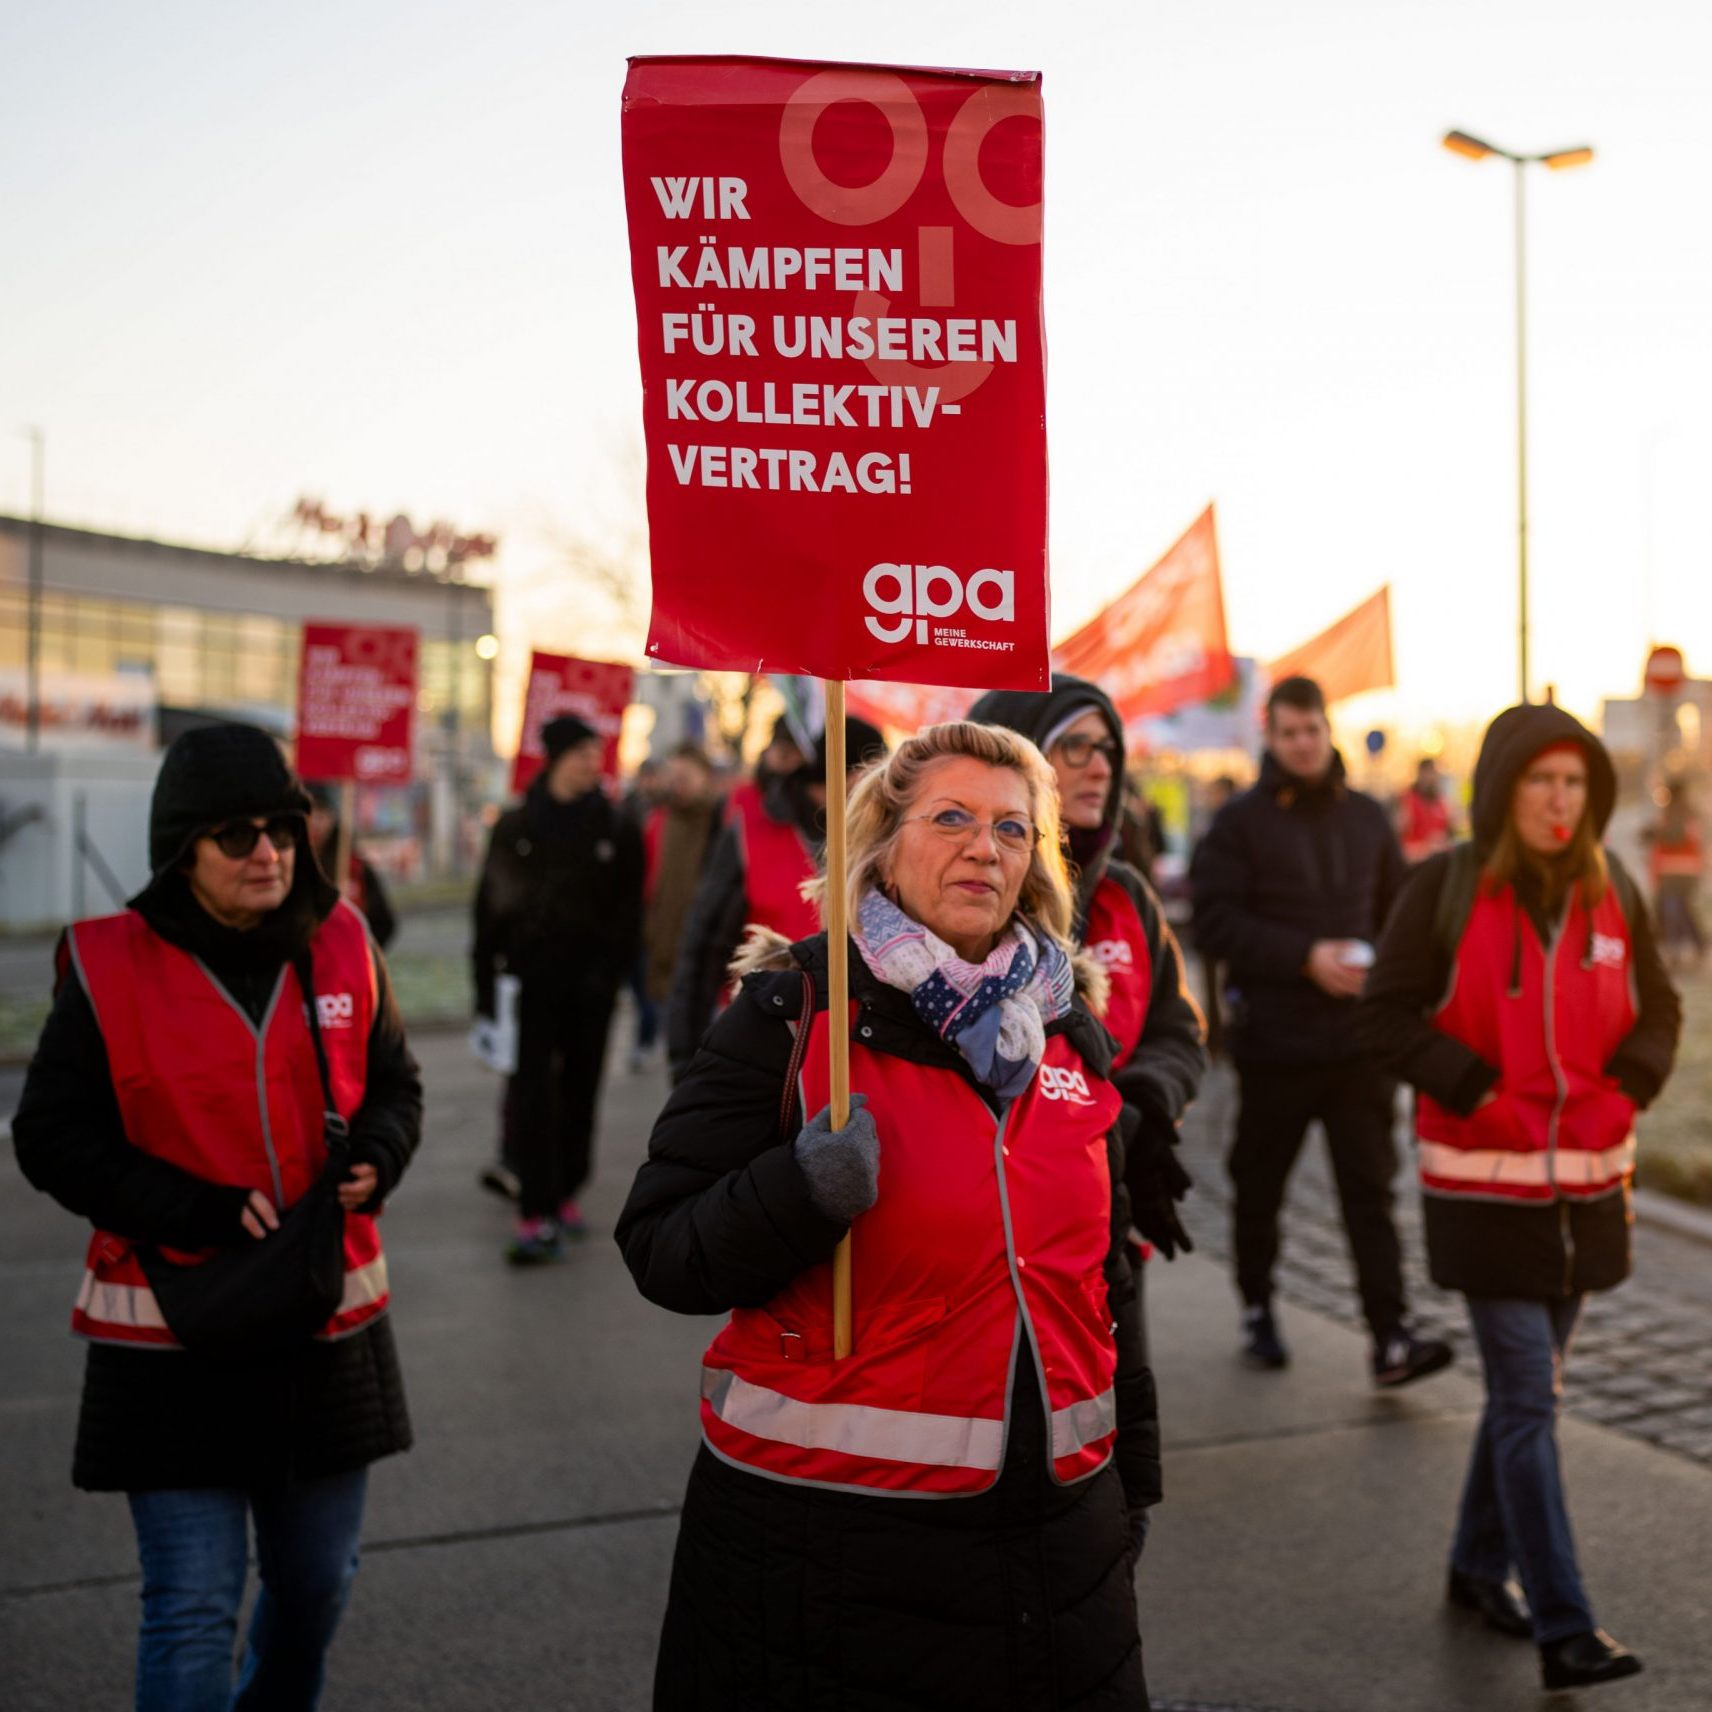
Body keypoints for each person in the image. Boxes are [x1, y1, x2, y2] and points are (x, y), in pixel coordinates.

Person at [619, 721, 1158, 1710]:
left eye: (1010, 827)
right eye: (949, 816)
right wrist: (793, 1192)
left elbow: (1101, 1285)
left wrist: (1134, 1484)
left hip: (1057, 1545)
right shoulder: (795, 1010)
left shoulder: (1066, 1029)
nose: (982, 846)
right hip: (827, 1550)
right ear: (881, 838)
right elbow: (661, 1246)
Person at [12, 722, 422, 1712]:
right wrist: (186, 1205)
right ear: (182, 848)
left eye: (282, 826)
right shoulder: (109, 963)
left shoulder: (345, 941)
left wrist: (378, 1154)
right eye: (236, 834)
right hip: (168, 1337)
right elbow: (49, 1135)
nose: (268, 851)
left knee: (316, 1585)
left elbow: (395, 1089)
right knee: (191, 1604)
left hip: (325, 1323)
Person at [1357, 703, 1679, 1692]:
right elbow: (1383, 1015)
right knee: (1528, 1399)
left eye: (1573, 783)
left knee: (1517, 1400)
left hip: (1585, 1192)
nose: (1557, 799)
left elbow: (1658, 1008)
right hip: (1480, 1192)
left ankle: (1469, 1564)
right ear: (1504, 791)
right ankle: (1564, 1620)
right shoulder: (1442, 886)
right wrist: (1473, 1086)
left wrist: (1625, 1084)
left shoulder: (1610, 885)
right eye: (1540, 780)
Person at [1190, 675, 1451, 1384]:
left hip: (1359, 1046)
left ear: (1327, 730)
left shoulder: (1368, 817)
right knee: (1260, 1185)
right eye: (1289, 733)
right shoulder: (1240, 823)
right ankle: (1256, 1306)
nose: (1304, 744)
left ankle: (1390, 1336)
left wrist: (1395, 975)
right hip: (1275, 1044)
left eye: (1313, 730)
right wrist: (1304, 958)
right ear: (1271, 737)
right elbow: (1212, 920)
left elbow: (1400, 913)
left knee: (1370, 1191)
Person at [969, 674, 1207, 1270]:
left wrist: (1146, 1113)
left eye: (1108, 749)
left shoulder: (1127, 895)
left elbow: (1177, 1029)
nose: (1100, 768)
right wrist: (1107, 1124)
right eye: (1075, 746)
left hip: (1113, 1217)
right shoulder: (965, 896)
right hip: (994, 1230)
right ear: (1016, 749)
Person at [473, 714, 643, 1263]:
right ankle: (534, 1208)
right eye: (582, 753)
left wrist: (611, 975)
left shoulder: (616, 828)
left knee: (580, 1090)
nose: (593, 763)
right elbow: (489, 907)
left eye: (597, 753)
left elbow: (628, 912)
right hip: (530, 985)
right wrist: (484, 985)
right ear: (556, 759)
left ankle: (567, 1189)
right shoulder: (517, 826)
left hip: (590, 989)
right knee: (530, 1094)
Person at [664, 714, 885, 1079]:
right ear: (836, 775)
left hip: (856, 1050)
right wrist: (684, 1052)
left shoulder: (881, 841)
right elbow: (702, 943)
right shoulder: (750, 831)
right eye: (869, 776)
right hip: (761, 1036)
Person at [639, 742, 723, 1068]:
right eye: (672, 775)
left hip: (707, 955)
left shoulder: (721, 819)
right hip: (664, 949)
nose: (678, 783)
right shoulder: (660, 819)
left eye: (685, 775)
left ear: (704, 776)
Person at [307, 782, 397, 949]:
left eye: (322, 813)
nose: (315, 822)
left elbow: (384, 924)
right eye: (309, 812)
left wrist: (360, 951)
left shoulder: (355, 868)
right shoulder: (288, 866)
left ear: (333, 817)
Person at [1645, 777, 1705, 970]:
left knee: (1672, 909)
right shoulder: (1687, 811)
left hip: (1676, 871)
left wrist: (1653, 834)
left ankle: (1674, 950)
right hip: (1684, 870)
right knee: (1681, 910)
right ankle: (1699, 944)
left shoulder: (1677, 812)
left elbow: (1674, 835)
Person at [1399, 756, 1457, 867]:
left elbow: (1449, 830)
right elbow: (1400, 843)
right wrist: (1427, 846)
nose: (1431, 778)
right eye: (1428, 773)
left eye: (1434, 773)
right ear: (1420, 773)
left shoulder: (1441, 801)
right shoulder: (1407, 800)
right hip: (1416, 864)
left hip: (1438, 863)